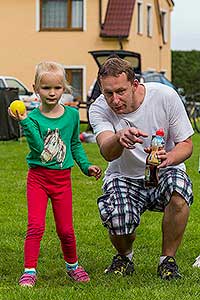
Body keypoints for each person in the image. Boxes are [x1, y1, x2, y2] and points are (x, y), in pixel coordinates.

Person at [89, 56, 194, 280]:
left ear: (135, 84)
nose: (115, 100)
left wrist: (169, 158)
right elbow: (107, 151)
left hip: (164, 170)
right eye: (108, 93)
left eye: (121, 91)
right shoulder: (99, 108)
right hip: (123, 175)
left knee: (178, 190)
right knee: (119, 220)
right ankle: (124, 257)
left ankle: (167, 261)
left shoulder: (164, 96)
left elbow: (186, 145)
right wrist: (119, 137)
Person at [8, 61, 102, 287]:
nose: (52, 93)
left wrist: (86, 166)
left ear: (64, 88)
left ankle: (73, 266)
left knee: (66, 230)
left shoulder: (71, 115)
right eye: (46, 88)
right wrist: (25, 123)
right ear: (35, 88)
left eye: (57, 88)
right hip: (38, 179)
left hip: (62, 181)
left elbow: (75, 145)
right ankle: (29, 270)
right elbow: (40, 149)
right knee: (36, 227)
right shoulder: (32, 119)